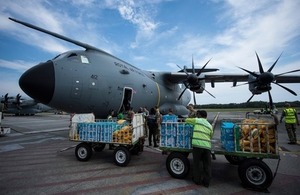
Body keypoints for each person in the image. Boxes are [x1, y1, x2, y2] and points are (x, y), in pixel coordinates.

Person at [185, 110, 213, 187]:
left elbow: (186, 120)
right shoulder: (210, 125)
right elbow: (211, 136)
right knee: (207, 165)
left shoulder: (197, 120)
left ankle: (197, 180)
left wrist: (192, 117)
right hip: (207, 146)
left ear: (200, 115)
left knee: (197, 163)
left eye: (198, 115)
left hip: (197, 145)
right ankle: (206, 182)